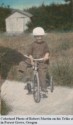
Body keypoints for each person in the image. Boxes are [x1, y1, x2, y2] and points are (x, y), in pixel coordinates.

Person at [27, 27, 50, 92]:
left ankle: (43, 87)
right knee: (27, 66)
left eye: (41, 36)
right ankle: (31, 81)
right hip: (34, 60)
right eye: (37, 36)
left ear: (43, 36)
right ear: (34, 37)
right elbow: (29, 53)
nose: (39, 38)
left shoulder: (45, 44)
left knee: (42, 72)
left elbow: (47, 51)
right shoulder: (32, 44)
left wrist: (46, 56)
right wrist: (31, 60)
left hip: (42, 60)